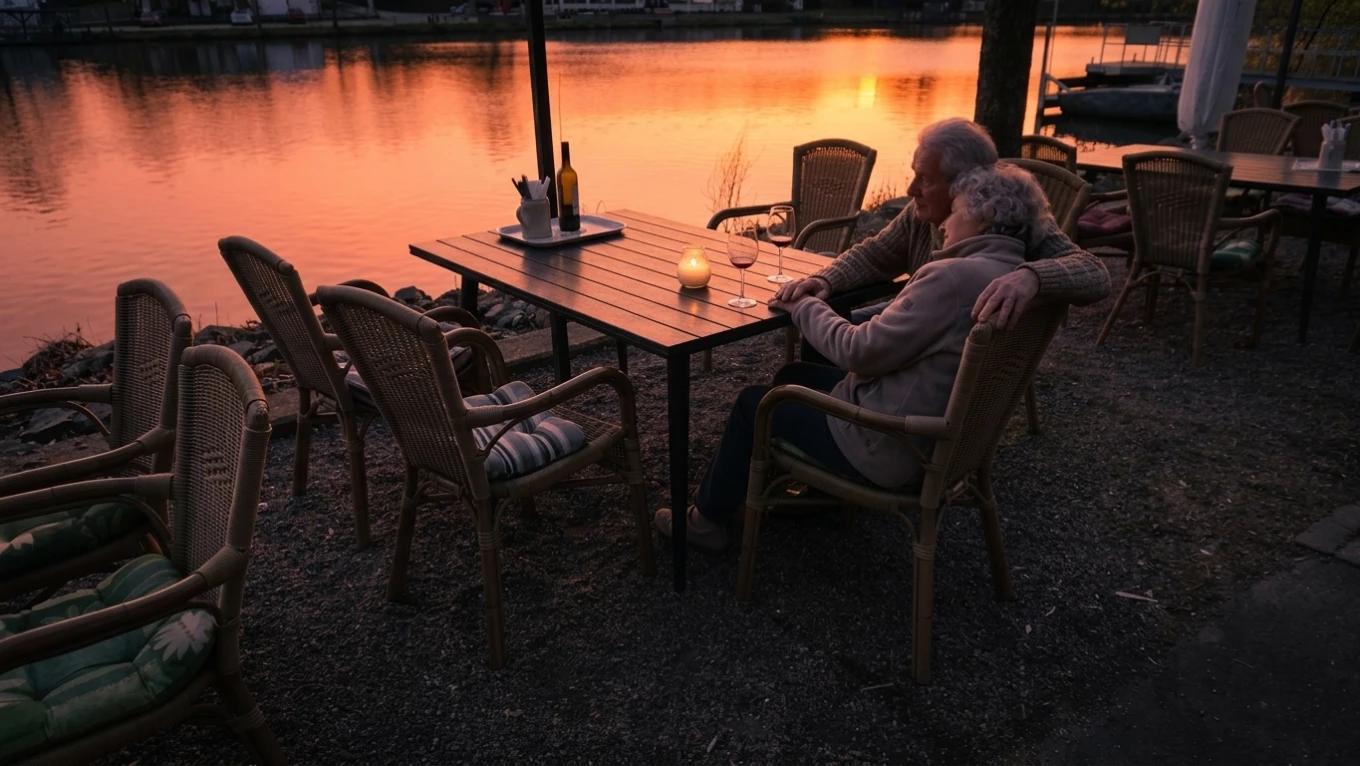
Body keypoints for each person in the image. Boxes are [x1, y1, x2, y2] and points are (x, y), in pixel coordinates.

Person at [654, 163, 1061, 551]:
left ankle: (705, 523)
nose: (942, 224)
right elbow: (911, 329)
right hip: (938, 436)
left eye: (954, 212)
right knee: (794, 373)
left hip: (888, 445)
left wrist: (804, 307)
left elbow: (858, 353)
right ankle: (767, 485)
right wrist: (828, 305)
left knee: (752, 404)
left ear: (985, 215)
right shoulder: (1014, 276)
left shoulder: (953, 277)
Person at [775, 117, 1110, 333]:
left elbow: (1095, 273)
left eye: (924, 179)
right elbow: (876, 254)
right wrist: (825, 279)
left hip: (951, 358)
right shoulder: (919, 215)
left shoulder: (1015, 224)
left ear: (965, 182)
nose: (910, 191)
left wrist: (1031, 276)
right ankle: (836, 406)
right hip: (915, 327)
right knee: (829, 319)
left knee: (836, 332)